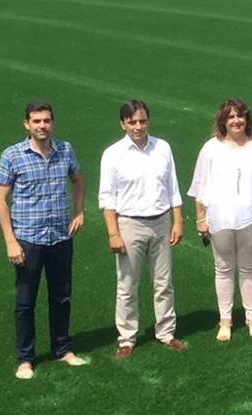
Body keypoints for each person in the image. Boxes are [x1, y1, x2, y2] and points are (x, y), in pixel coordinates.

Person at [0, 100, 88, 380]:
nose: (42, 126)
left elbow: (79, 180)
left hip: (60, 236)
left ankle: (63, 349)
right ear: (27, 124)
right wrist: (10, 240)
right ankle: (26, 358)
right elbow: (0, 200)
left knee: (61, 296)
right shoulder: (13, 155)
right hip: (28, 240)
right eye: (36, 121)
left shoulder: (66, 150)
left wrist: (79, 212)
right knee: (25, 301)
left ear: (53, 123)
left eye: (46, 120)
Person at [98, 99, 187, 359]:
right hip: (129, 224)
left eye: (142, 121)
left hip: (161, 222)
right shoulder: (113, 154)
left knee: (164, 282)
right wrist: (113, 233)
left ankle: (166, 333)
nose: (138, 126)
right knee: (127, 284)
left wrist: (178, 221)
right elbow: (107, 197)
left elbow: (173, 188)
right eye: (132, 122)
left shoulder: (162, 148)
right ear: (123, 124)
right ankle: (127, 338)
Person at [188, 99, 252, 342]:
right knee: (223, 269)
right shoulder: (211, 148)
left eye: (240, 116)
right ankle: (226, 320)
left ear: (247, 119)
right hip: (220, 217)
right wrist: (200, 218)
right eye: (231, 117)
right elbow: (200, 185)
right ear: (223, 121)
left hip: (251, 216)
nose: (236, 121)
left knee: (249, 268)